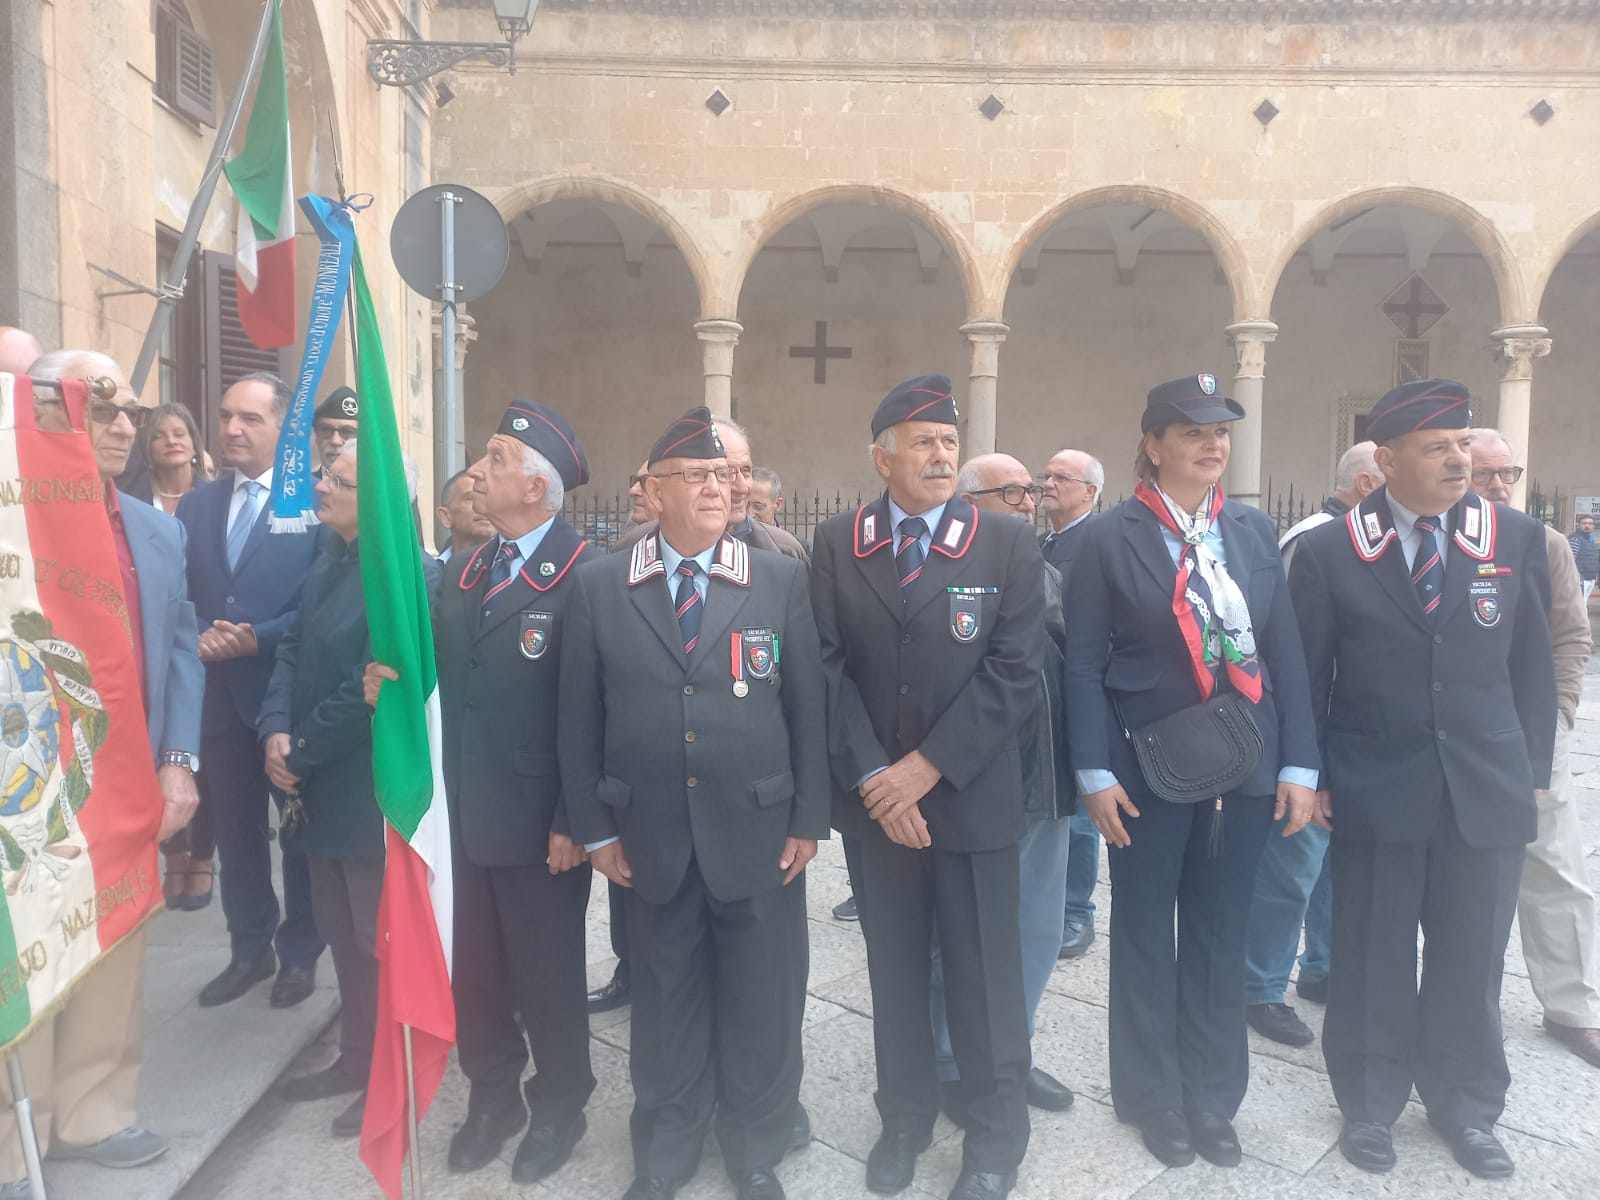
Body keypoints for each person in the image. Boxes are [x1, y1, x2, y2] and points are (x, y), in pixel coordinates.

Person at [560, 405, 828, 1200]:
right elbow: (577, 718)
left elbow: (807, 708)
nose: (719, 488)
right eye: (698, 476)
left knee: (760, 1001)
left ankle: (754, 1147)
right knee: (665, 1003)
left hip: (759, 829)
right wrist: (595, 828)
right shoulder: (602, 584)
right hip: (650, 836)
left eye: (724, 475)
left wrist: (809, 820)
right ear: (653, 491)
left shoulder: (779, 578)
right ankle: (665, 1153)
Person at [1289, 380, 1555, 1179]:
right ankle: (1370, 1103)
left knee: (1471, 958)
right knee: (1370, 954)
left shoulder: (1511, 536)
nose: (1459, 460)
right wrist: (1313, 771)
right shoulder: (1334, 549)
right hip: (1376, 782)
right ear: (1387, 458)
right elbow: (1307, 675)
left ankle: (1465, 1105)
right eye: (1438, 447)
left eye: (1463, 444)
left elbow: (1532, 669)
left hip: (1485, 784)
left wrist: (1533, 773)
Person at [1063, 374, 1320, 1170]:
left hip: (1245, 762)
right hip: (1146, 768)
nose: (1213, 445)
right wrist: (1093, 771)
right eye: (1192, 432)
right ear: (1153, 445)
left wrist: (1300, 761)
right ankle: (1153, 1096)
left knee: (1220, 930)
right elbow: (1082, 664)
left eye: (1220, 432)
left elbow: (1284, 653)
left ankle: (1212, 1096)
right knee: (1145, 932)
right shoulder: (1109, 537)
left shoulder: (1249, 529)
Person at [812, 374, 1043, 1200]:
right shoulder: (839, 541)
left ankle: (995, 1137)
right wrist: (877, 776)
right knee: (897, 971)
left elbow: (1016, 671)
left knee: (985, 977)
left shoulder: (1005, 540)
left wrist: (925, 767)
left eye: (949, 441)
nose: (942, 455)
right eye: (923, 443)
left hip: (972, 799)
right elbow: (825, 667)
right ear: (883, 459)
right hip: (879, 809)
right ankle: (904, 1119)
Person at [369, 400, 600, 1184]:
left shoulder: (584, 572)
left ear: (537, 487)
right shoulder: (469, 570)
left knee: (547, 974)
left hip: (542, 825)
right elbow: (439, 679)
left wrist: (575, 817)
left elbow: (592, 708)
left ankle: (561, 1100)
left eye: (497, 458)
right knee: (476, 970)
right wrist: (390, 687)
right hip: (464, 813)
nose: (477, 470)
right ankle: (492, 1094)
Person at [0, 351, 201, 1193]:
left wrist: (179, 762)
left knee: (114, 944)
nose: (126, 427)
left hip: (123, 780)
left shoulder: (157, 529)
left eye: (133, 414)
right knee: (26, 951)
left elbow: (182, 646)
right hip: (28, 784)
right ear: (48, 411)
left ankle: (94, 1112)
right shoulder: (12, 518)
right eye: (102, 407)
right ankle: (16, 1136)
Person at [261, 440, 439, 1139]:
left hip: (367, 792)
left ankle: (391, 1078)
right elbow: (292, 650)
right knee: (338, 929)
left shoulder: (403, 578)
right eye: (324, 475)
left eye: (337, 480)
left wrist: (301, 751)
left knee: (376, 940)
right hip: (314, 787)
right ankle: (356, 1058)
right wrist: (275, 729)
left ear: (380, 499)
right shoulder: (328, 557)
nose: (321, 488)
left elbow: (373, 684)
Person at [931, 454, 1074, 1121]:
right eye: (1012, 492)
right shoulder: (942, 570)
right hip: (975, 780)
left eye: (1030, 491)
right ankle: (950, 1060)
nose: (1029, 502)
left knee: (1035, 928)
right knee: (959, 933)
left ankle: (1013, 1053)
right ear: (970, 504)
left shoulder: (1043, 569)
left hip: (1045, 777)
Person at [176, 372, 325, 1009]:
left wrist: (256, 639)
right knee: (236, 836)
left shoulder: (315, 504)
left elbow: (324, 607)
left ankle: (301, 954)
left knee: (298, 838)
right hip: (216, 703)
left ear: (285, 429)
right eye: (225, 415)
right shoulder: (196, 505)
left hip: (285, 702)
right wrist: (199, 636)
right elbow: (177, 595)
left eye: (250, 418)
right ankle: (249, 949)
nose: (232, 429)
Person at [1242, 440, 1380, 1048]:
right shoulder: (1318, 538)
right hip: (1312, 732)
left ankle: (1323, 968)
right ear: (1369, 482)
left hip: (1357, 733)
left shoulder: (1371, 537)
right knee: (1293, 867)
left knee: (1336, 866)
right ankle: (1259, 986)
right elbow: (1295, 653)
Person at [1470, 429, 1600, 1067]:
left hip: (1534, 728)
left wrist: (1561, 716)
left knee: (1554, 863)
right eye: (1485, 474)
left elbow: (1571, 634)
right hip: (1454, 728)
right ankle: (1459, 1000)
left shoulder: (1542, 543)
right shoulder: (1432, 539)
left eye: (1508, 473)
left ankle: (1574, 1007)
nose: (1499, 485)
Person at [1037, 448, 1103, 960]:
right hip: (1044, 692)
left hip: (1082, 691)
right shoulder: (1043, 543)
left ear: (1090, 491)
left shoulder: (1101, 544)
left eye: (1061, 477)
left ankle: (1076, 912)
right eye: (1047, 475)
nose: (1047, 484)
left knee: (1081, 814)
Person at [133, 402, 210, 516]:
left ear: (194, 444)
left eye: (179, 434)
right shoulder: (134, 496)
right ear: (148, 447)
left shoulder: (213, 496)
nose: (171, 441)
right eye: (158, 436)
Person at [435, 468, 494, 564]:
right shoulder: (429, 570)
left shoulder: (511, 568)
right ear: (445, 517)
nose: (484, 506)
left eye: (490, 498)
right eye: (471, 498)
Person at [312, 386, 360, 475]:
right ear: (316, 436)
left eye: (347, 432)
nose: (335, 441)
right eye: (326, 430)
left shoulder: (381, 483)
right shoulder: (302, 484)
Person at [1568, 513, 1598, 601]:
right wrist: (1577, 577)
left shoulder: (1591, 539)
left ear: (1593, 526)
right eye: (1584, 523)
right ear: (1578, 525)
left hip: (1591, 578)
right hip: (1580, 580)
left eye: (1590, 523)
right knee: (1578, 604)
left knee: (1583, 603)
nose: (1587, 526)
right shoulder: (1575, 539)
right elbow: (1570, 560)